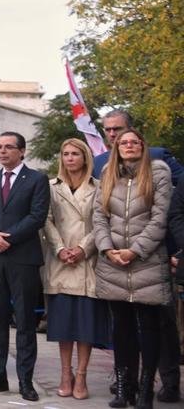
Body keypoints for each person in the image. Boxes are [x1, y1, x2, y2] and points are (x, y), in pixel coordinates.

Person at [95, 109, 184, 402]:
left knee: (156, 327)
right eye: (110, 131)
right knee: (121, 328)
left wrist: (137, 250)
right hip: (114, 261)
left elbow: (166, 213)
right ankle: (126, 387)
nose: (116, 136)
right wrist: (107, 248)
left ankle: (159, 386)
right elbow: (98, 215)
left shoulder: (159, 165)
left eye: (120, 131)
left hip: (149, 258)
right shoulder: (104, 168)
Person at [0, 131, 50, 402]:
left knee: (25, 320)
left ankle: (26, 381)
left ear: (22, 151)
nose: (3, 151)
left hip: (23, 258)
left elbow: (37, 216)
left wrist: (9, 238)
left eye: (8, 147)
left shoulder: (37, 180)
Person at [42, 138, 108, 400]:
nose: (70, 158)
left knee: (85, 325)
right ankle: (64, 374)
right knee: (63, 325)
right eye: (66, 154)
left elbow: (102, 222)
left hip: (87, 261)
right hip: (59, 260)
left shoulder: (99, 187)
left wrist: (82, 248)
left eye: (75, 154)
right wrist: (60, 249)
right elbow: (46, 221)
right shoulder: (51, 187)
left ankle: (81, 375)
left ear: (85, 157)